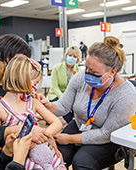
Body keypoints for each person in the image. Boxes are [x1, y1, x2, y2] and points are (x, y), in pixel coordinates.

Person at [38, 36, 136, 170]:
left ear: (112, 72)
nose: (88, 75)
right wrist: (47, 105)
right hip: (81, 124)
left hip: (109, 139)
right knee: (54, 156)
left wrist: (69, 139)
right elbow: (63, 106)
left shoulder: (126, 95)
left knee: (82, 162)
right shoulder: (80, 77)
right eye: (86, 69)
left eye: (94, 73)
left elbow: (105, 134)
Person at [0, 34, 48, 164]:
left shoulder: (14, 84)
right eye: (20, 62)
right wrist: (20, 130)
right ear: (8, 58)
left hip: (26, 149)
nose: (22, 68)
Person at [0, 56, 66, 170]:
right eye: (34, 84)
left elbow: (57, 123)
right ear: (23, 78)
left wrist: (41, 137)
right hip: (21, 161)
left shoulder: (33, 102)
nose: (35, 88)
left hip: (43, 151)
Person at [48, 46, 82, 123]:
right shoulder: (57, 68)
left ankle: (76, 125)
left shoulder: (79, 71)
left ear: (78, 59)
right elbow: (55, 87)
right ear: (66, 55)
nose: (71, 58)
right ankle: (72, 124)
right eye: (70, 55)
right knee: (65, 110)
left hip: (71, 97)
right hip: (56, 95)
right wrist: (65, 100)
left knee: (78, 109)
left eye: (74, 56)